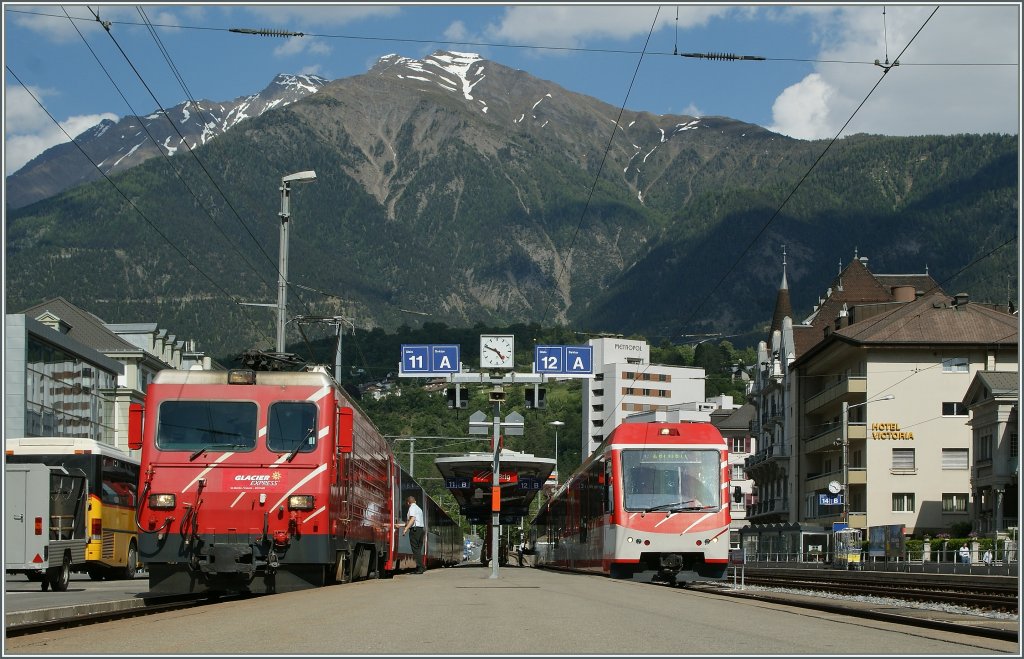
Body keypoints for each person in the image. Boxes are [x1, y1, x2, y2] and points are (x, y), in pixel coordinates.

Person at [402, 495, 425, 574]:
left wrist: (405, 529)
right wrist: (401, 525)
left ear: (408, 503)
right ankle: (421, 567)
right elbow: (413, 521)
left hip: (415, 530)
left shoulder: (412, 508)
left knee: (415, 549)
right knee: (418, 549)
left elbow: (412, 519)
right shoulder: (419, 508)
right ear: (415, 501)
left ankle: (420, 568)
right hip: (421, 530)